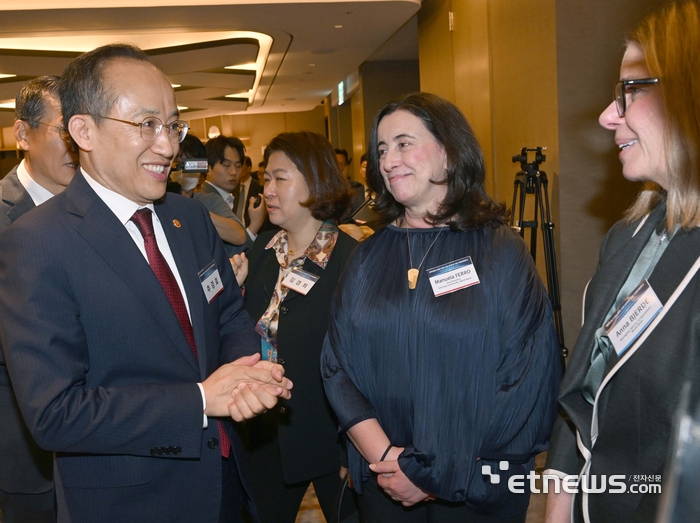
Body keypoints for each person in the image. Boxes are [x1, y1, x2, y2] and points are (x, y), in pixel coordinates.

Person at [0, 43, 292, 523]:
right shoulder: (35, 244)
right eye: (146, 125)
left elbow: (227, 314)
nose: (169, 145)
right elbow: (55, 413)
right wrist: (200, 400)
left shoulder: (190, 218)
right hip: (130, 502)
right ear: (83, 131)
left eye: (173, 125)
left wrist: (251, 371)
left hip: (224, 484)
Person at [321, 92, 561, 523]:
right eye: (381, 149)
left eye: (404, 143)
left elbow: (526, 380)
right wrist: (388, 459)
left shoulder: (500, 252)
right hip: (384, 480)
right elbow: (337, 367)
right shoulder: (366, 257)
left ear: (450, 153)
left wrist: (432, 474)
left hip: (475, 488)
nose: (388, 160)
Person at [545, 2, 700, 522]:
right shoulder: (627, 237)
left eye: (629, 91)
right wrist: (559, 502)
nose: (608, 115)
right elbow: (583, 390)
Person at [242, 131, 358, 523]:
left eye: (279, 178)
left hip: (330, 436)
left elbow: (364, 364)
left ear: (315, 181)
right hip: (266, 435)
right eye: (265, 177)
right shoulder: (262, 250)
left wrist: (354, 446)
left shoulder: (351, 261)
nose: (267, 189)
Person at [0, 75, 78, 523]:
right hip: (24, 440)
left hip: (101, 438)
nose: (75, 143)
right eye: (63, 130)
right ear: (23, 134)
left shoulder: (97, 208)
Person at [195, 136, 266, 255]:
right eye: (226, 165)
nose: (233, 172)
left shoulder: (228, 195)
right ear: (207, 167)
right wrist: (254, 225)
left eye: (238, 166)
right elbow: (225, 253)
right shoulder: (205, 200)